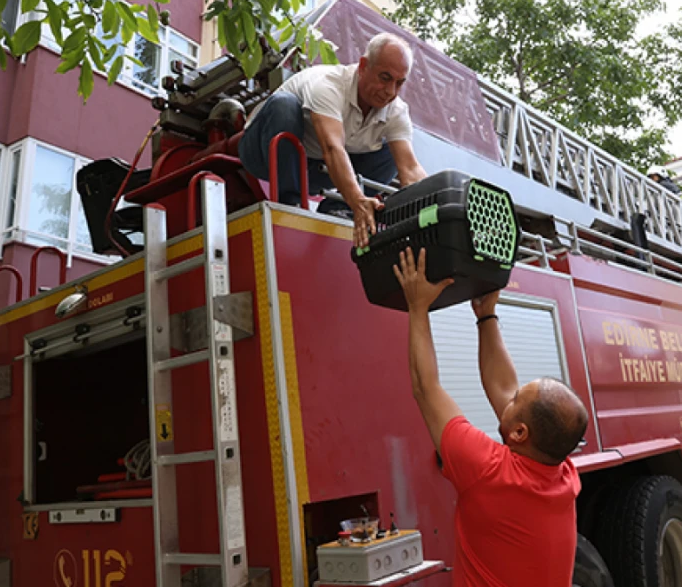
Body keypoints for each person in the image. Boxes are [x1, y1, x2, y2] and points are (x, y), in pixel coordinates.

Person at [391, 247, 590, 587]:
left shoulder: (489, 472)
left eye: (515, 401)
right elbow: (503, 385)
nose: (508, 397)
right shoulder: (563, 476)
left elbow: (426, 388)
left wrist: (418, 306)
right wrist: (486, 315)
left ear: (519, 434)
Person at [237, 32, 428, 248]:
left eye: (399, 83)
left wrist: (439, 202)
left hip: (318, 170)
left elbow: (410, 169)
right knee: (284, 104)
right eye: (385, 78)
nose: (390, 92)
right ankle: (291, 201)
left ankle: (338, 208)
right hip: (263, 152)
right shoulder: (329, 85)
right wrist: (357, 200)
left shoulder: (397, 110)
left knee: (391, 153)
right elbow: (332, 148)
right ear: (363, 65)